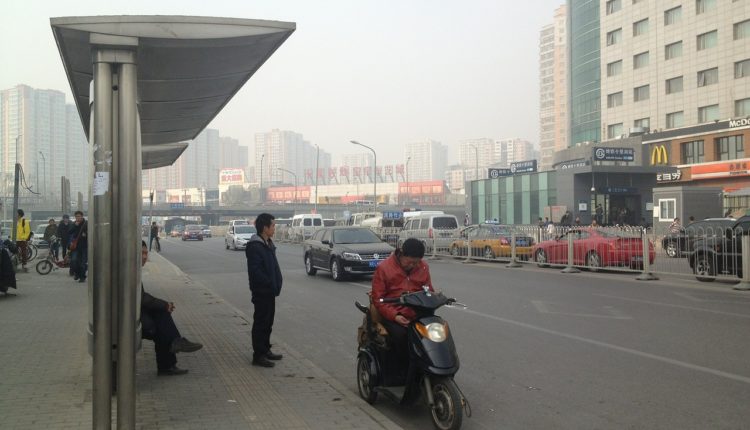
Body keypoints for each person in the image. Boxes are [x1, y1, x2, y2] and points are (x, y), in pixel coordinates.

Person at [140, 241, 202, 375]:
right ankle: (171, 355)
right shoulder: (128, 273)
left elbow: (141, 297)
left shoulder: (130, 270)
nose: (145, 257)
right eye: (142, 253)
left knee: (162, 319)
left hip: (130, 314)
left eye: (146, 253)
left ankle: (171, 356)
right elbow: (141, 298)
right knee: (162, 324)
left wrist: (163, 305)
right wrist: (164, 304)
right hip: (125, 320)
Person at [371, 238, 433, 367]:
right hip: (394, 314)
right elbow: (378, 299)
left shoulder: (423, 267)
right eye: (410, 262)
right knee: (402, 336)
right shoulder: (384, 268)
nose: (414, 266)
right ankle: (402, 369)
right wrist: (395, 316)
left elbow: (429, 291)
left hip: (417, 314)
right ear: (401, 254)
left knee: (436, 333)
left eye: (417, 262)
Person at [245, 213, 283, 368]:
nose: (274, 228)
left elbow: (273, 266)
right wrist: (268, 283)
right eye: (273, 225)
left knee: (268, 322)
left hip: (270, 290)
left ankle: (266, 349)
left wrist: (277, 282)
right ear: (265, 227)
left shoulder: (267, 243)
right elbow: (255, 271)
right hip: (261, 291)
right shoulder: (255, 246)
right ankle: (258, 355)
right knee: (261, 322)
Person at [69, 211, 88, 282]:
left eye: (79, 216)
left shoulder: (86, 223)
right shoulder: (74, 223)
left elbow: (91, 232)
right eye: (76, 216)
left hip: (84, 246)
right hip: (75, 246)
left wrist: (85, 234)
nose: (78, 218)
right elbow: (69, 232)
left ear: (82, 216)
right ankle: (77, 274)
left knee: (83, 263)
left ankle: (82, 277)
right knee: (74, 261)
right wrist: (75, 226)